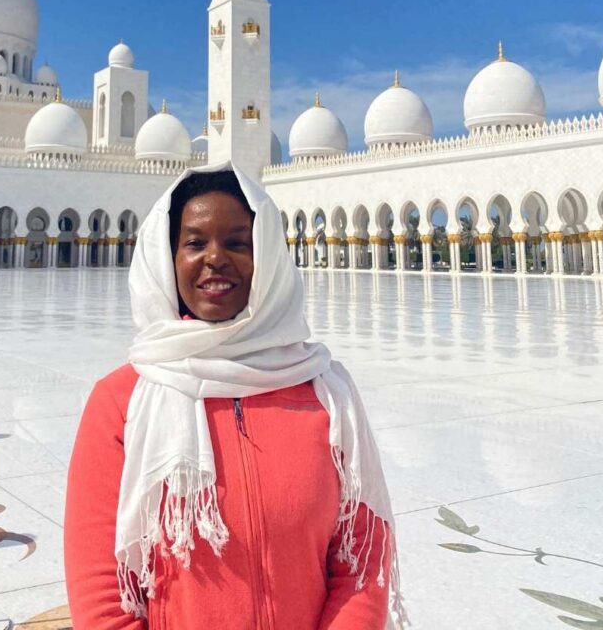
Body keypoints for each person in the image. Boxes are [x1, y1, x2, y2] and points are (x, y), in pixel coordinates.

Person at [65, 164, 404, 629]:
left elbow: (362, 562)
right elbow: (104, 593)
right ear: (167, 258)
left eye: (238, 243)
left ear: (267, 255)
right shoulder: (122, 400)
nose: (215, 258)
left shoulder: (325, 391)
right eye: (195, 242)